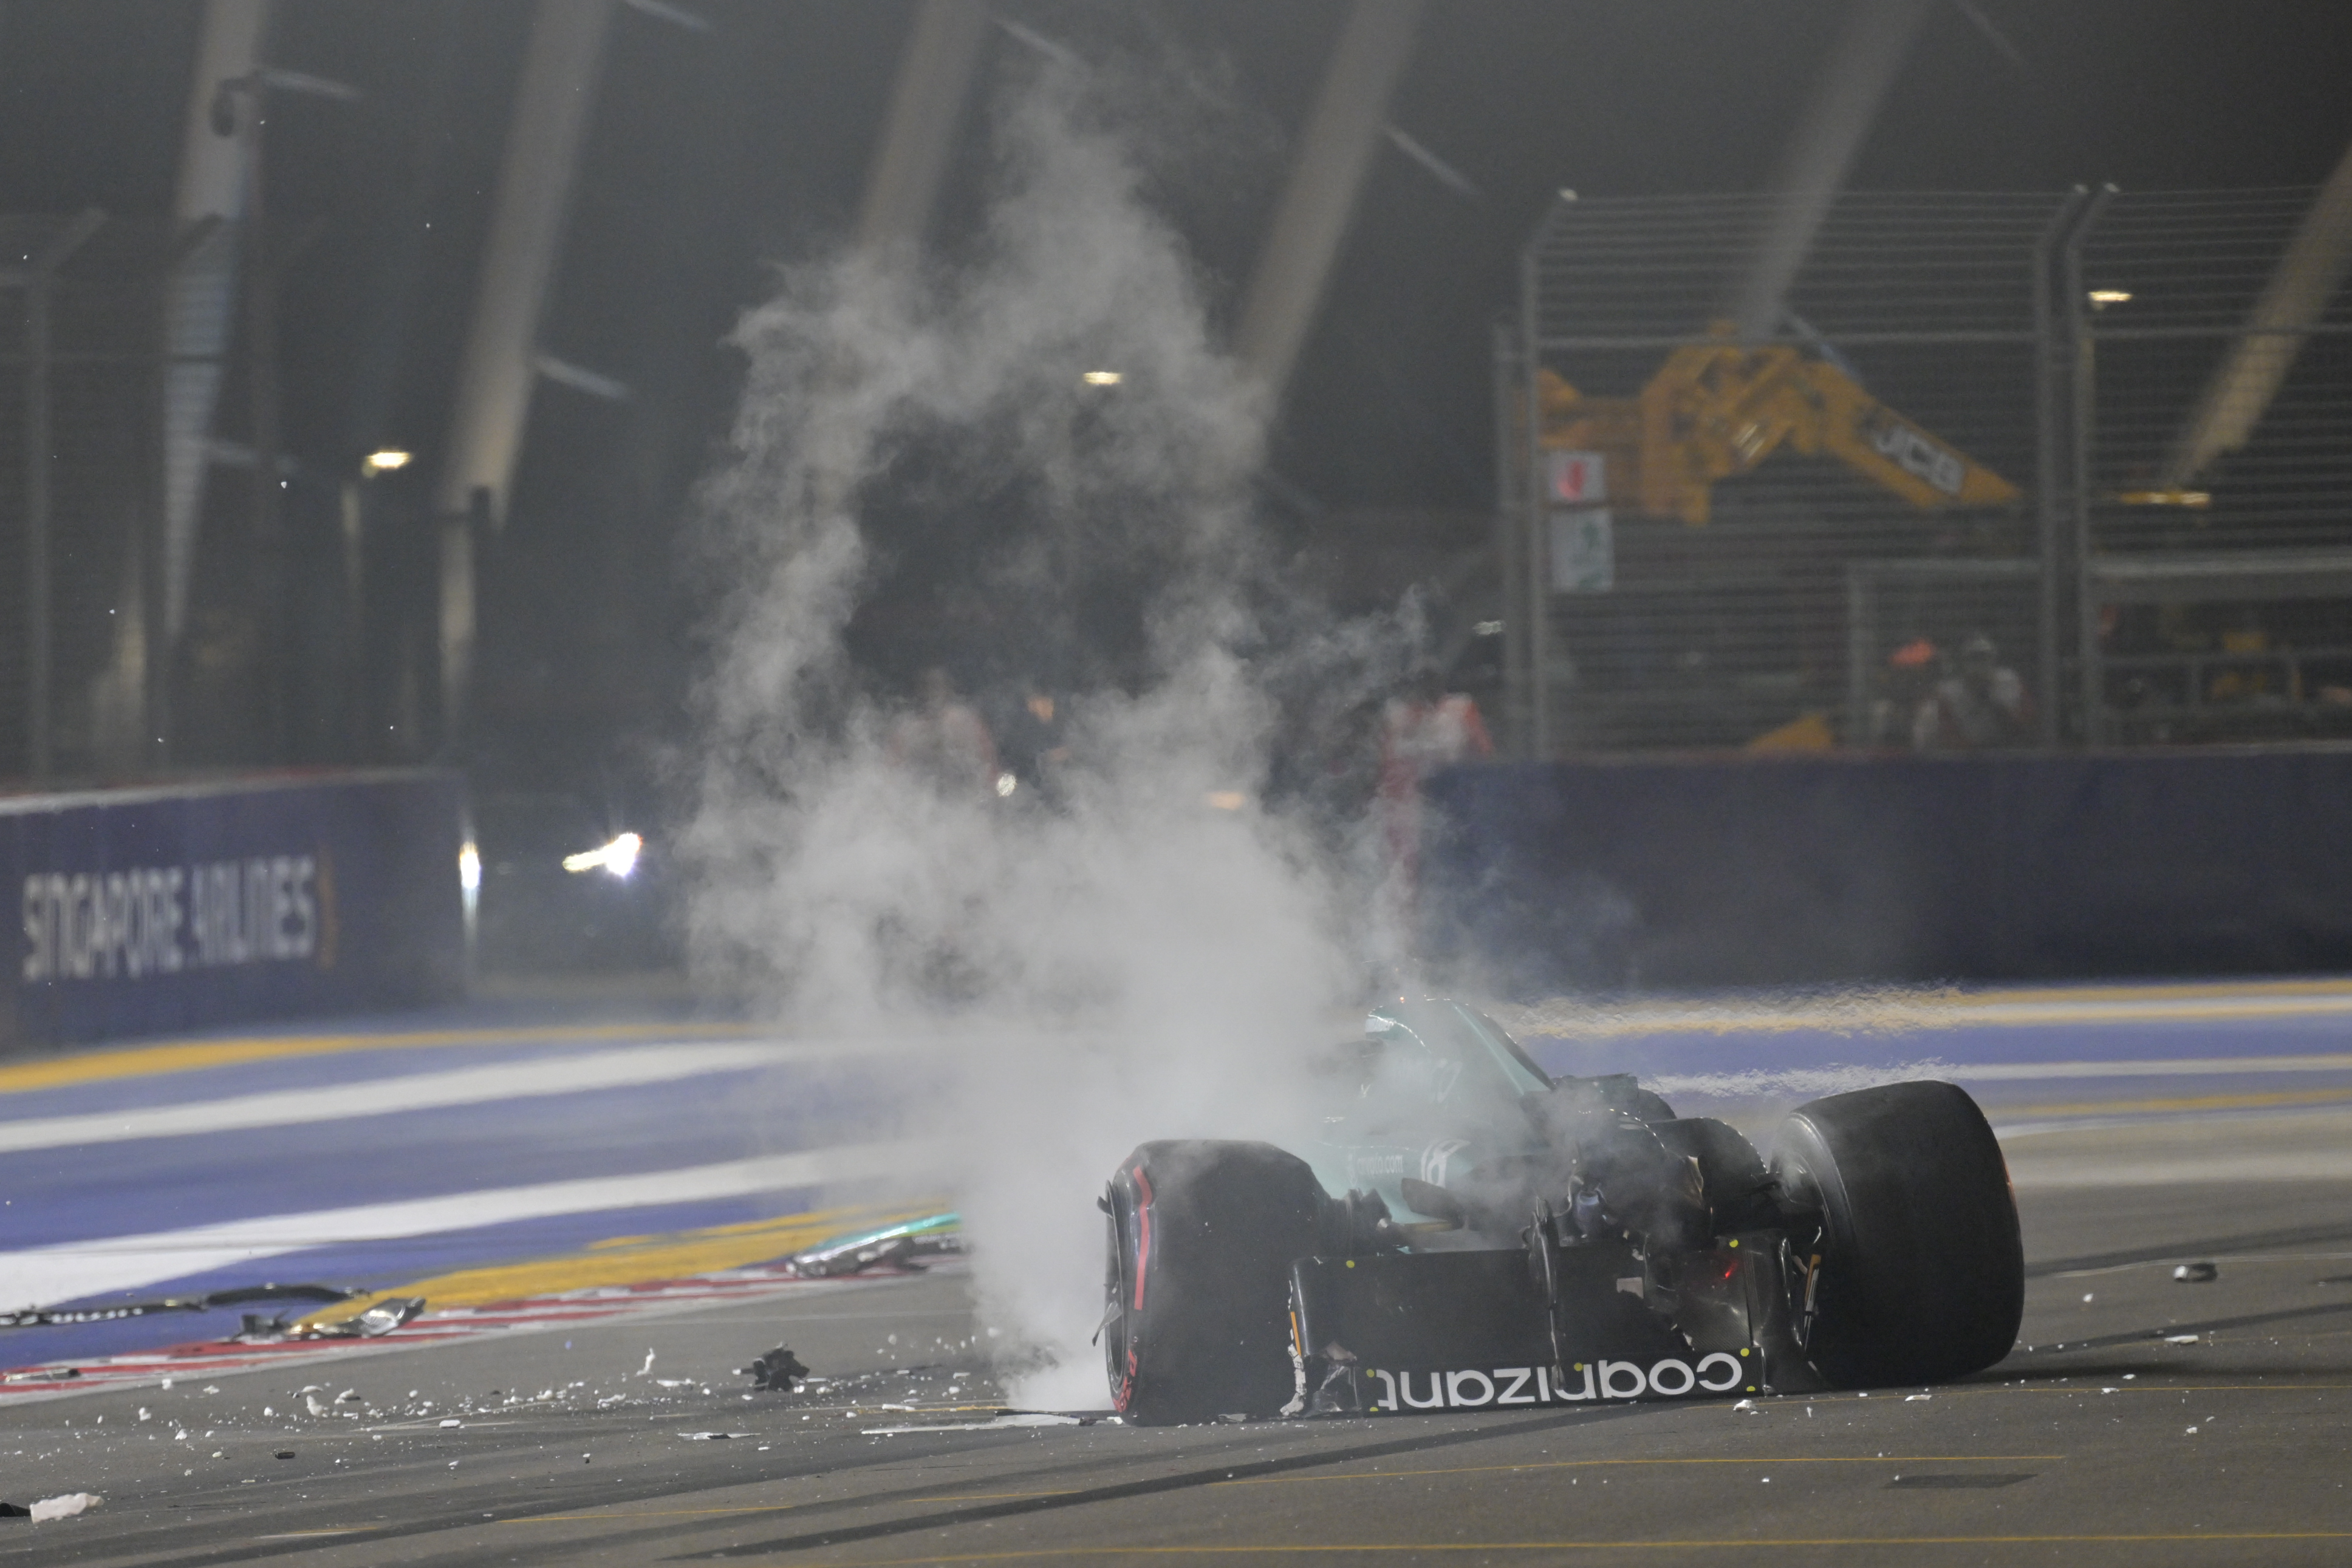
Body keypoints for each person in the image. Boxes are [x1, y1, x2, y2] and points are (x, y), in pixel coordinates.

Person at [1372, 668, 1494, 969]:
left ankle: (1456, 949)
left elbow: (1485, 756)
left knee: (1454, 876)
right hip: (1407, 811)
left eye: (1433, 685)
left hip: (1452, 809)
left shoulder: (1461, 710)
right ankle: (1407, 952)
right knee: (1405, 883)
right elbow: (1385, 765)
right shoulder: (1398, 715)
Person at [887, 667, 1000, 796]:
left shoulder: (968, 723)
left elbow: (988, 762)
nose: (932, 692)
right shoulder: (906, 730)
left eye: (937, 686)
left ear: (948, 689)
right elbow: (892, 772)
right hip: (921, 799)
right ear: (919, 691)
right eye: (927, 687)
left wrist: (990, 793)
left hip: (964, 796)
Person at [1912, 632, 2031, 749]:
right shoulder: (1947, 693)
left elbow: (2028, 728)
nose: (1979, 664)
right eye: (1974, 658)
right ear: (1962, 661)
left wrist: (1995, 705)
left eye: (1984, 657)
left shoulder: (2011, 683)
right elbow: (1947, 737)